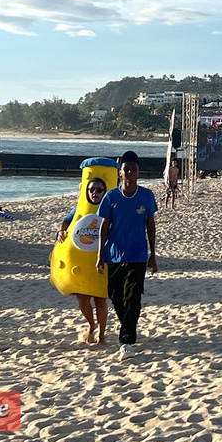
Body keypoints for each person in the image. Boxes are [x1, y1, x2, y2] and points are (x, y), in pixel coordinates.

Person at [96, 151, 158, 360]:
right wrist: (99, 255)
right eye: (127, 168)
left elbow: (150, 225)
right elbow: (104, 226)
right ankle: (129, 328)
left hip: (138, 255)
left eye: (134, 168)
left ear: (138, 172)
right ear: (120, 172)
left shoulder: (147, 196)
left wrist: (153, 255)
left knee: (133, 297)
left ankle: (126, 342)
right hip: (113, 255)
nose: (130, 172)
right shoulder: (111, 197)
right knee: (116, 297)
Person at [57, 177, 109, 344]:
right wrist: (61, 231)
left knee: (100, 298)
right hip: (82, 261)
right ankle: (91, 325)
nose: (95, 193)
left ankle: (101, 334)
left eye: (99, 190)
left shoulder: (109, 207)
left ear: (105, 191)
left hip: (102, 259)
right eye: (92, 189)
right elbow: (66, 220)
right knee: (82, 297)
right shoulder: (79, 208)